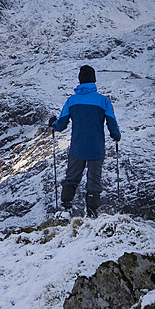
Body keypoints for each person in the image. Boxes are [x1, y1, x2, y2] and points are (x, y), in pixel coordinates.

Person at [49, 65, 120, 217]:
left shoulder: (72, 101)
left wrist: (53, 124)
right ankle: (92, 213)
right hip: (96, 148)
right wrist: (116, 135)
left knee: (72, 178)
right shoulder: (103, 101)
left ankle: (66, 209)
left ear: (80, 80)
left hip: (77, 148)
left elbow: (61, 125)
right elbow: (112, 123)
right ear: (93, 80)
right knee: (94, 180)